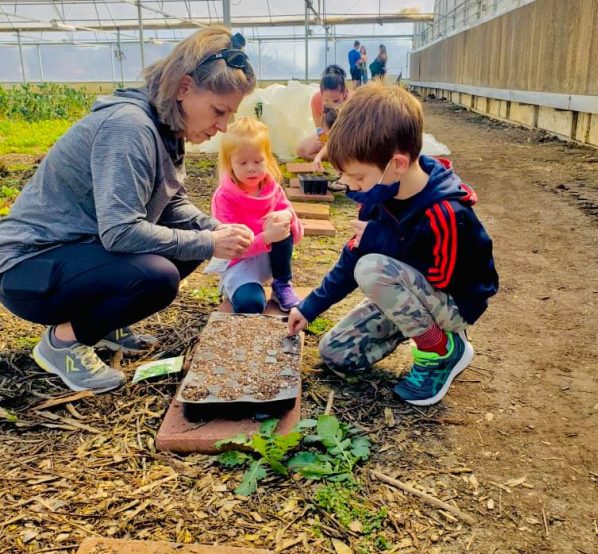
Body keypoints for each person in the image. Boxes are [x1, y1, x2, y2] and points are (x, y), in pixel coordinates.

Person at [0, 25, 256, 393]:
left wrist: (213, 230)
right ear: (184, 88)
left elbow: (171, 204)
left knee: (189, 247)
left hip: (77, 254)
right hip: (29, 268)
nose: (223, 125)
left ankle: (105, 323)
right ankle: (63, 343)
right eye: (218, 111)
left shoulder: (167, 127)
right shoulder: (128, 128)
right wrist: (207, 242)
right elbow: (121, 231)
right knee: (158, 275)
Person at [288, 83, 498, 407]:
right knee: (336, 353)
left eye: (359, 178)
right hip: (406, 292)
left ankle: (441, 350)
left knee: (371, 268)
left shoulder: (446, 213)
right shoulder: (379, 194)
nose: (354, 187)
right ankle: (417, 329)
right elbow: (353, 254)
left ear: (397, 164)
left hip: (453, 302)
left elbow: (441, 277)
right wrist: (310, 307)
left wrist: (381, 240)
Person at [211, 117, 304, 313]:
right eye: (243, 162)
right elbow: (231, 247)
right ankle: (237, 289)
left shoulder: (272, 188)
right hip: (239, 263)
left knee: (283, 220)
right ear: (230, 163)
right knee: (251, 304)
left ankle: (281, 284)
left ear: (268, 159)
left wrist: (287, 217)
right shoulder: (225, 197)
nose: (251, 168)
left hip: (268, 258)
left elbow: (295, 227)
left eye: (258, 161)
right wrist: (267, 237)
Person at [296, 65, 352, 161]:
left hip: (348, 138)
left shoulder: (353, 100)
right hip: (329, 137)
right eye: (326, 99)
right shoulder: (316, 99)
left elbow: (355, 132)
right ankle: (333, 156)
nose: (330, 104)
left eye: (336, 101)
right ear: (321, 93)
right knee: (301, 149)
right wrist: (324, 141)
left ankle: (333, 156)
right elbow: (320, 129)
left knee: (350, 151)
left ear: (344, 93)